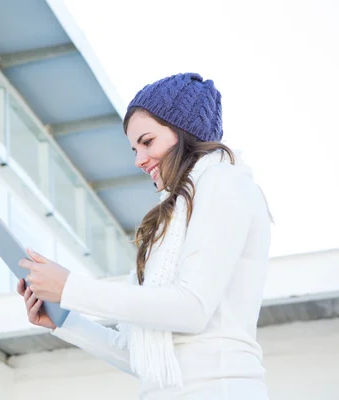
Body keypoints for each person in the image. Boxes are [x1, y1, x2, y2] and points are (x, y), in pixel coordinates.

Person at [16, 72, 274, 399]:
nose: (139, 160)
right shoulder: (171, 220)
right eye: (134, 149)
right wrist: (63, 320)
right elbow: (140, 357)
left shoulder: (225, 183)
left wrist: (71, 287)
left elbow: (191, 308)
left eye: (147, 142)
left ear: (185, 132)